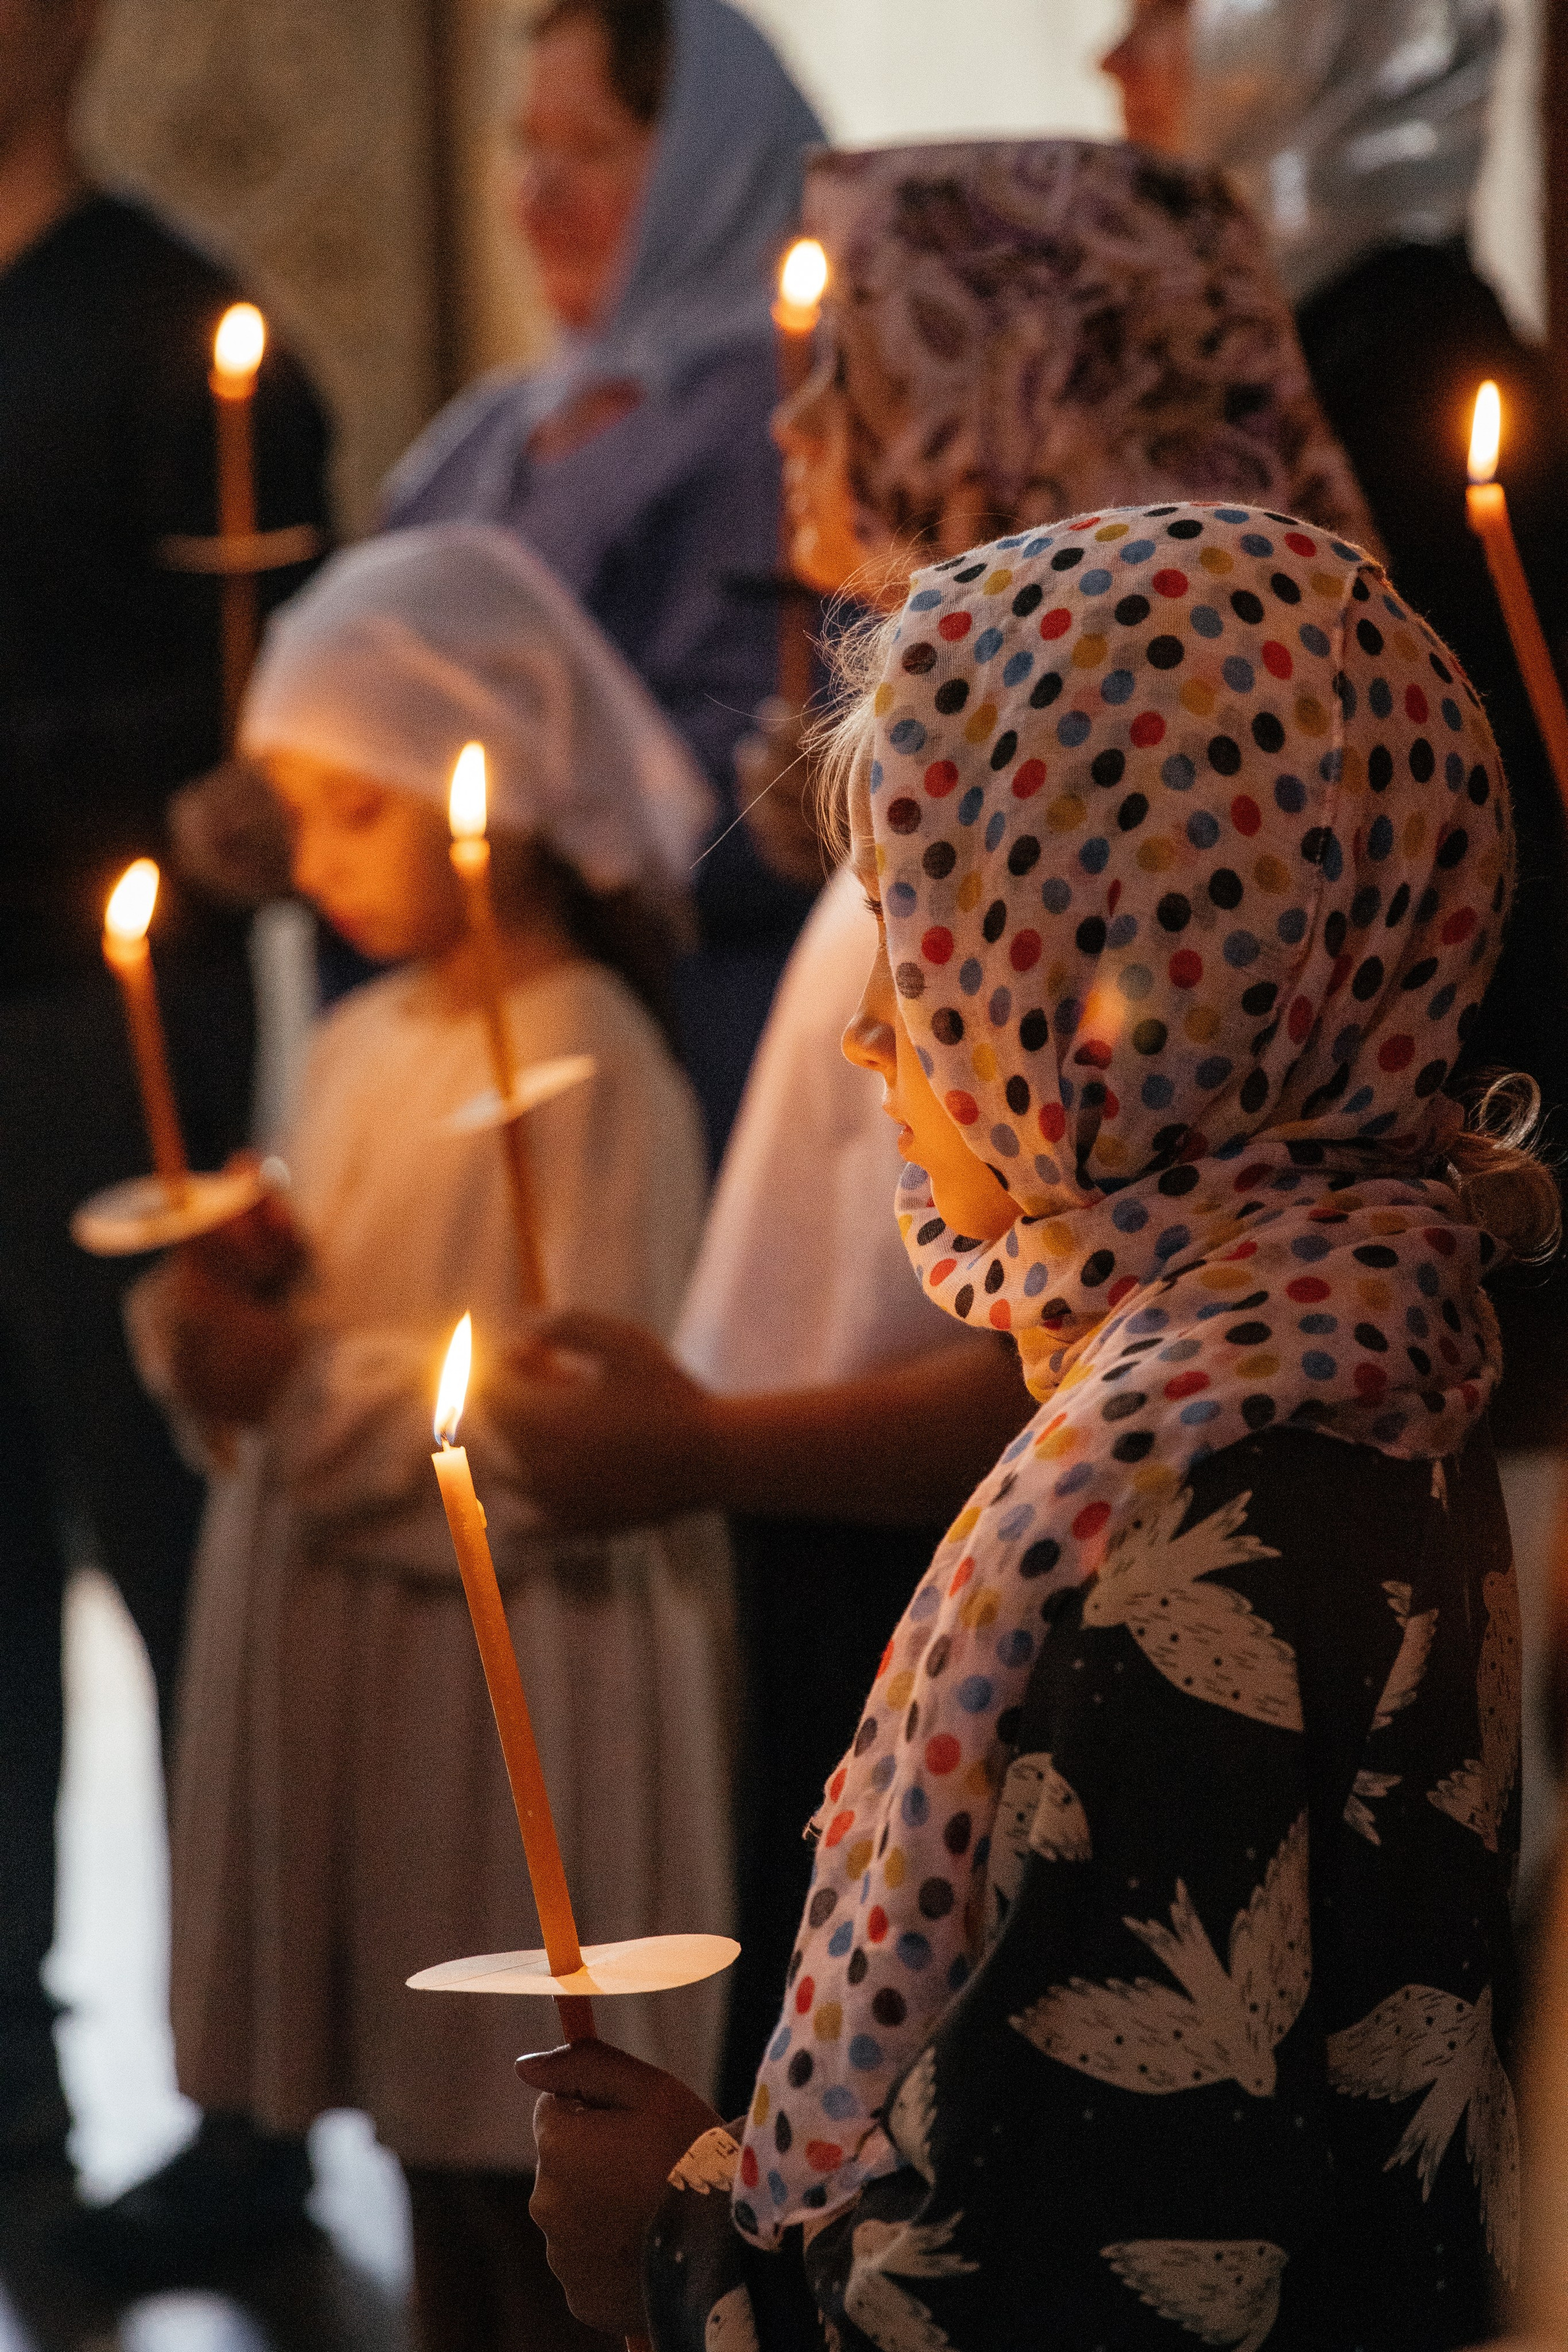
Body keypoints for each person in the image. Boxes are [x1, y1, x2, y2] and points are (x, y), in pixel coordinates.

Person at [519, 499, 1553, 2348]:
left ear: (1140, 982)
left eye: (924, 971)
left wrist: (683, 2244)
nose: (872, 1047)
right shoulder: (1358, 1332)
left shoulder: (1190, 1523)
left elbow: (1071, 2271)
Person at [499, 136, 1381, 2113]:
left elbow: (1076, 1339)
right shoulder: (976, 760)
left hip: (965, 1577)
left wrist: (699, 1444)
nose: (792, 428)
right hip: (865, 1568)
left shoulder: (1165, 808)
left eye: (858, 365)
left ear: (1028, 379)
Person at [120, 522, 734, 2352]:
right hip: (371, 1650)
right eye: (293, 815)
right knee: (423, 2110)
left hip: (520, 1666)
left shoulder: (591, 1050)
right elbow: (345, 1304)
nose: (313, 863)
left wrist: (290, 1391)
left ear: (502, 786)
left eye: (356, 810)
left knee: (528, 2142)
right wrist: (232, 1305)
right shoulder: (364, 1032)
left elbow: (565, 1414)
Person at [0, 0, 329, 2200]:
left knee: (176, 1531)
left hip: (96, 1034)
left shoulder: (191, 333)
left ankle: (252, 2093)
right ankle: (14, 2072)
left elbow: (263, 711)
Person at [1101, 0, 1568, 1446]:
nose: (1115, 67)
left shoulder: (1385, 373)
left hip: (1442, 1199)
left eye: (1165, 17)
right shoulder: (1285, 356)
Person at [383, 0, 826, 1159]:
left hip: (683, 1070)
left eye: (589, 151)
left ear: (712, 168)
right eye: (526, 146)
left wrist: (526, 836)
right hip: (453, 1054)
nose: (538, 194)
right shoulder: (481, 435)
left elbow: (764, 789)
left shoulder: (796, 430)